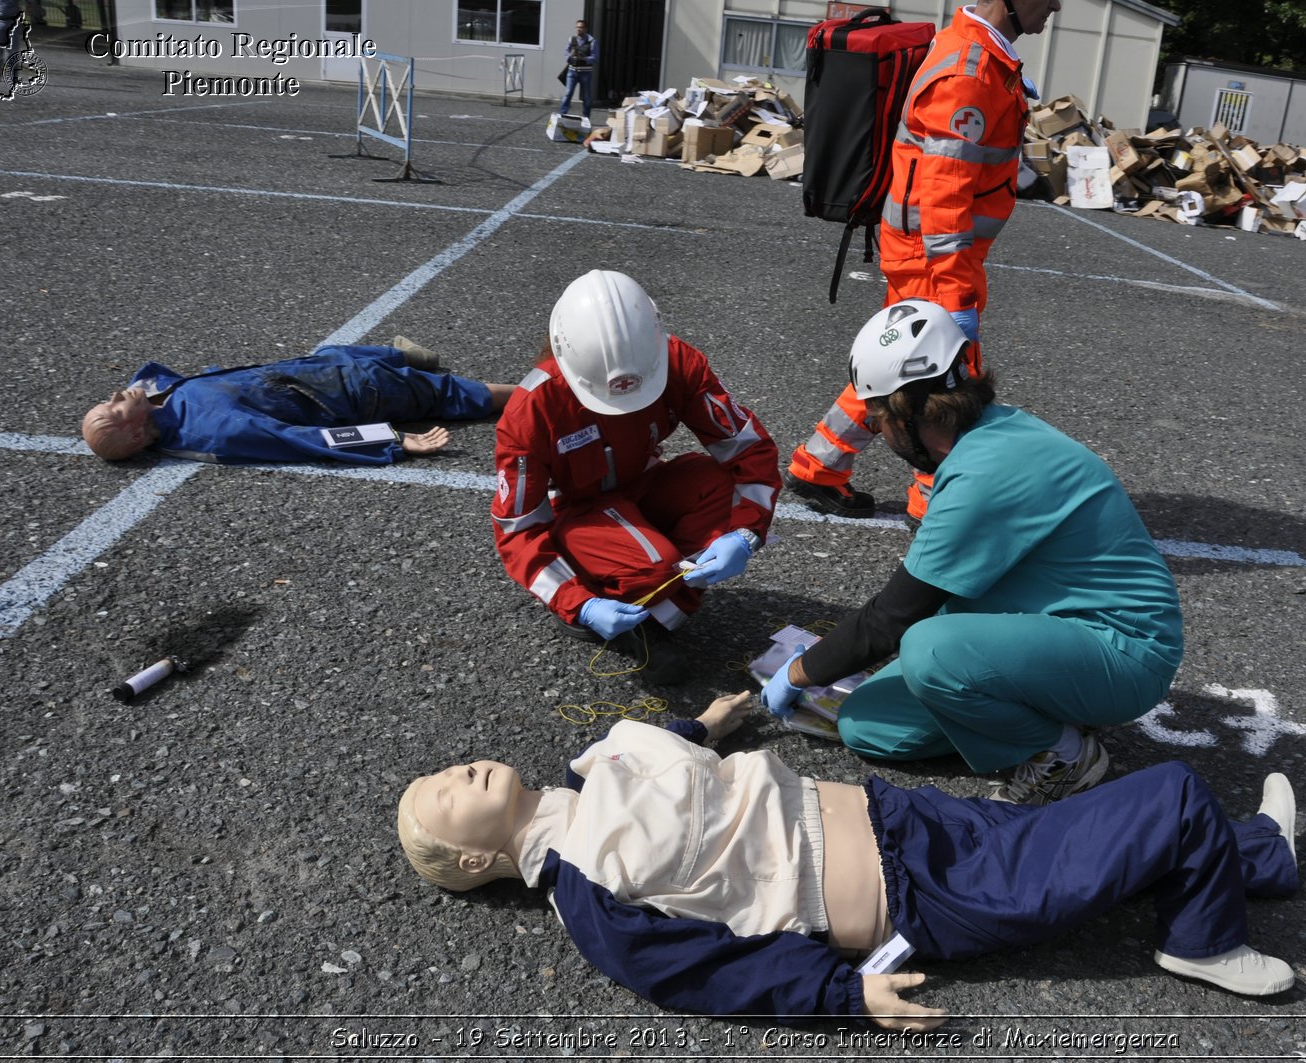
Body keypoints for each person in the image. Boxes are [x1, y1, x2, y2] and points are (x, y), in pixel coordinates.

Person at [395, 693, 1300, 1030]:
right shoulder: (590, 894)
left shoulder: (584, 785)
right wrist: (845, 994)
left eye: (439, 769)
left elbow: (658, 766)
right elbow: (701, 973)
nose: (454, 769)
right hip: (922, 894)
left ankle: (1250, 857)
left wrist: (707, 725)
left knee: (1067, 844)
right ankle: (1201, 939)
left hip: (899, 820)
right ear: (477, 855)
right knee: (1169, 794)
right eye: (444, 790)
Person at [763, 301, 1183, 805]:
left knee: (929, 650)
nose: (880, 432)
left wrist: (795, 673)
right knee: (867, 726)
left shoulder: (988, 470)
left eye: (877, 419)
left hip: (1123, 649)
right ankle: (1036, 705)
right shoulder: (987, 434)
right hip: (1051, 622)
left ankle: (1065, 754)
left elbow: (893, 617)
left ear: (907, 411)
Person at [784, 0, 1057, 526]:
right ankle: (934, 506)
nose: (1055, 5)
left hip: (927, 250)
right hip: (935, 256)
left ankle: (818, 466)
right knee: (949, 384)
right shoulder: (971, 70)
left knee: (903, 370)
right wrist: (955, 293)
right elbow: (943, 194)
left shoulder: (979, 58)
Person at [491, 270, 781, 684]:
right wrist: (576, 602)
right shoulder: (531, 411)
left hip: (643, 485)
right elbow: (518, 527)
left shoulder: (678, 362)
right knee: (655, 566)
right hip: (578, 511)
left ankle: (649, 614)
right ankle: (602, 594)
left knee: (713, 484)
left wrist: (746, 533)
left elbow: (748, 449)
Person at [81, 338, 514, 465]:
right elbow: (303, 439)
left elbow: (161, 386)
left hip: (317, 371)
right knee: (458, 394)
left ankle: (408, 355)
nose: (117, 395)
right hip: (357, 391)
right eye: (114, 408)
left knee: (342, 350)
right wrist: (392, 441)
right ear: (137, 433)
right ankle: (544, 392)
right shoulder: (214, 428)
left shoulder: (163, 403)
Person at [558, 18, 598, 119]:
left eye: (581, 27)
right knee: (567, 94)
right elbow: (566, 52)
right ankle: (562, 115)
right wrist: (570, 57)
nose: (578, 29)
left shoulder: (592, 41)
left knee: (586, 97)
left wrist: (584, 59)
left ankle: (586, 118)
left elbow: (595, 57)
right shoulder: (571, 39)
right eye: (577, 27)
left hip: (585, 73)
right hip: (572, 72)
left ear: (586, 29)